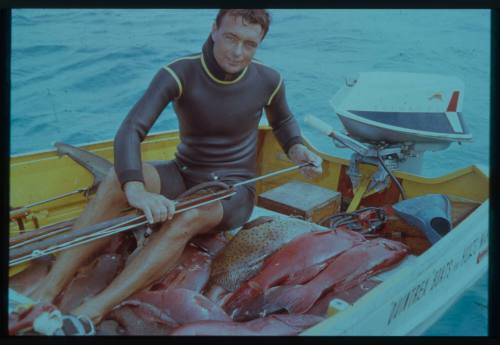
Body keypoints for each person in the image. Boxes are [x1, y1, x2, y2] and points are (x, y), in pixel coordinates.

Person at [30, 9, 323, 323]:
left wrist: (297, 150)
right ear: (214, 30)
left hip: (233, 191)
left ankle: (96, 307)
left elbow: (284, 122)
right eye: (231, 38)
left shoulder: (269, 79)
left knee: (188, 214)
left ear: (259, 43)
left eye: (250, 44)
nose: (238, 52)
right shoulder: (179, 72)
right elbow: (131, 130)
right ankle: (47, 290)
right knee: (118, 178)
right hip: (183, 173)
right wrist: (136, 190)